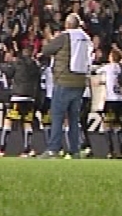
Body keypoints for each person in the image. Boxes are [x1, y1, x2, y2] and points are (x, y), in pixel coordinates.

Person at [39, 13, 93, 159]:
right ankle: (74, 150)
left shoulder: (65, 36)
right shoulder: (85, 37)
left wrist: (50, 38)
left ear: (67, 25)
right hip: (80, 82)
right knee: (74, 119)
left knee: (57, 116)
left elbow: (47, 50)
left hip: (64, 81)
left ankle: (53, 149)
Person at [0, 45, 41, 157]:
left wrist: (0, 62)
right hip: (30, 97)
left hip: (18, 96)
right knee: (27, 123)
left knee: (8, 120)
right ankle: (27, 149)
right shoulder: (35, 65)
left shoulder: (18, 63)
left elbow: (8, 73)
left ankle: (2, 148)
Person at [99, 48, 122, 159]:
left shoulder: (107, 67)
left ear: (111, 57)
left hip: (110, 100)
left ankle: (110, 151)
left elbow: (95, 72)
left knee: (107, 125)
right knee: (119, 125)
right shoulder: (121, 68)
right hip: (121, 101)